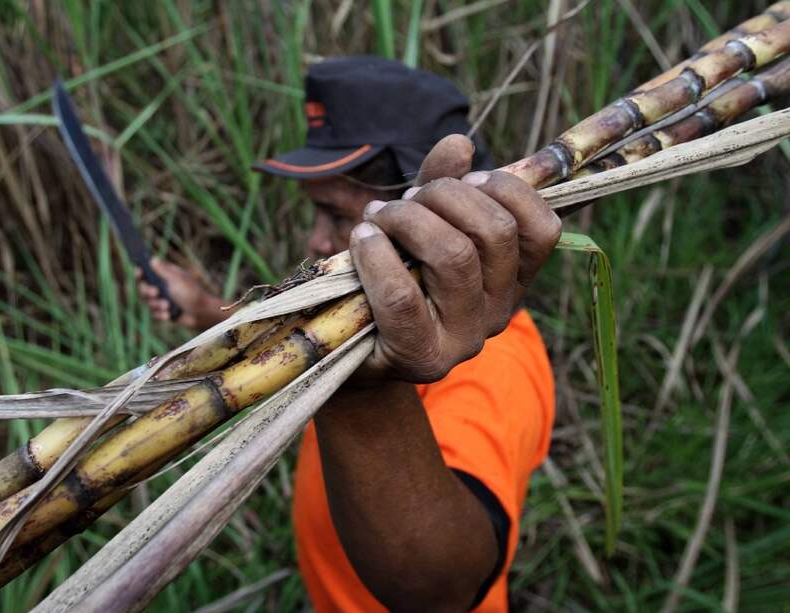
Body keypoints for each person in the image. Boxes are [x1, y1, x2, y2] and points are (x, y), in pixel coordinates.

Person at [138, 57, 560, 612]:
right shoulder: (361, 329)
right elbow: (295, 356)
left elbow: (441, 589)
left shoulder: (491, 361)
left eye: (336, 215)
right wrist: (204, 311)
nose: (316, 241)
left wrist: (363, 395)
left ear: (432, 214)